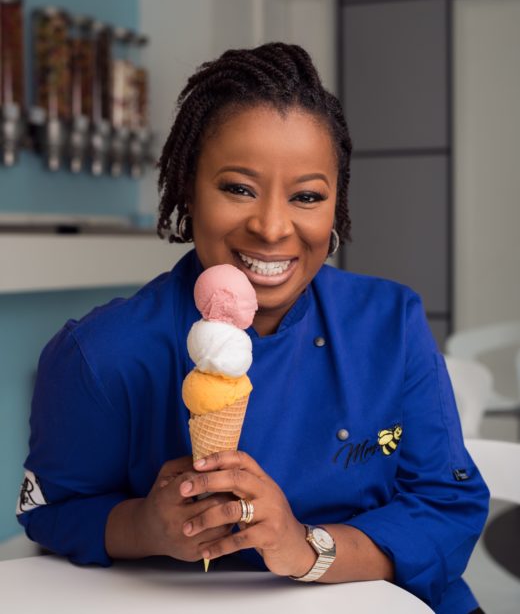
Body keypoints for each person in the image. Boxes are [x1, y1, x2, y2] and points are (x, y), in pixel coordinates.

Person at [17, 43, 489, 613]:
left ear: (335, 207)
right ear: (189, 187)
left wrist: (306, 548)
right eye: (238, 188)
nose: (271, 227)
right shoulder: (100, 354)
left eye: (307, 196)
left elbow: (446, 506)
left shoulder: (390, 325)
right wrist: (146, 525)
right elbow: (52, 510)